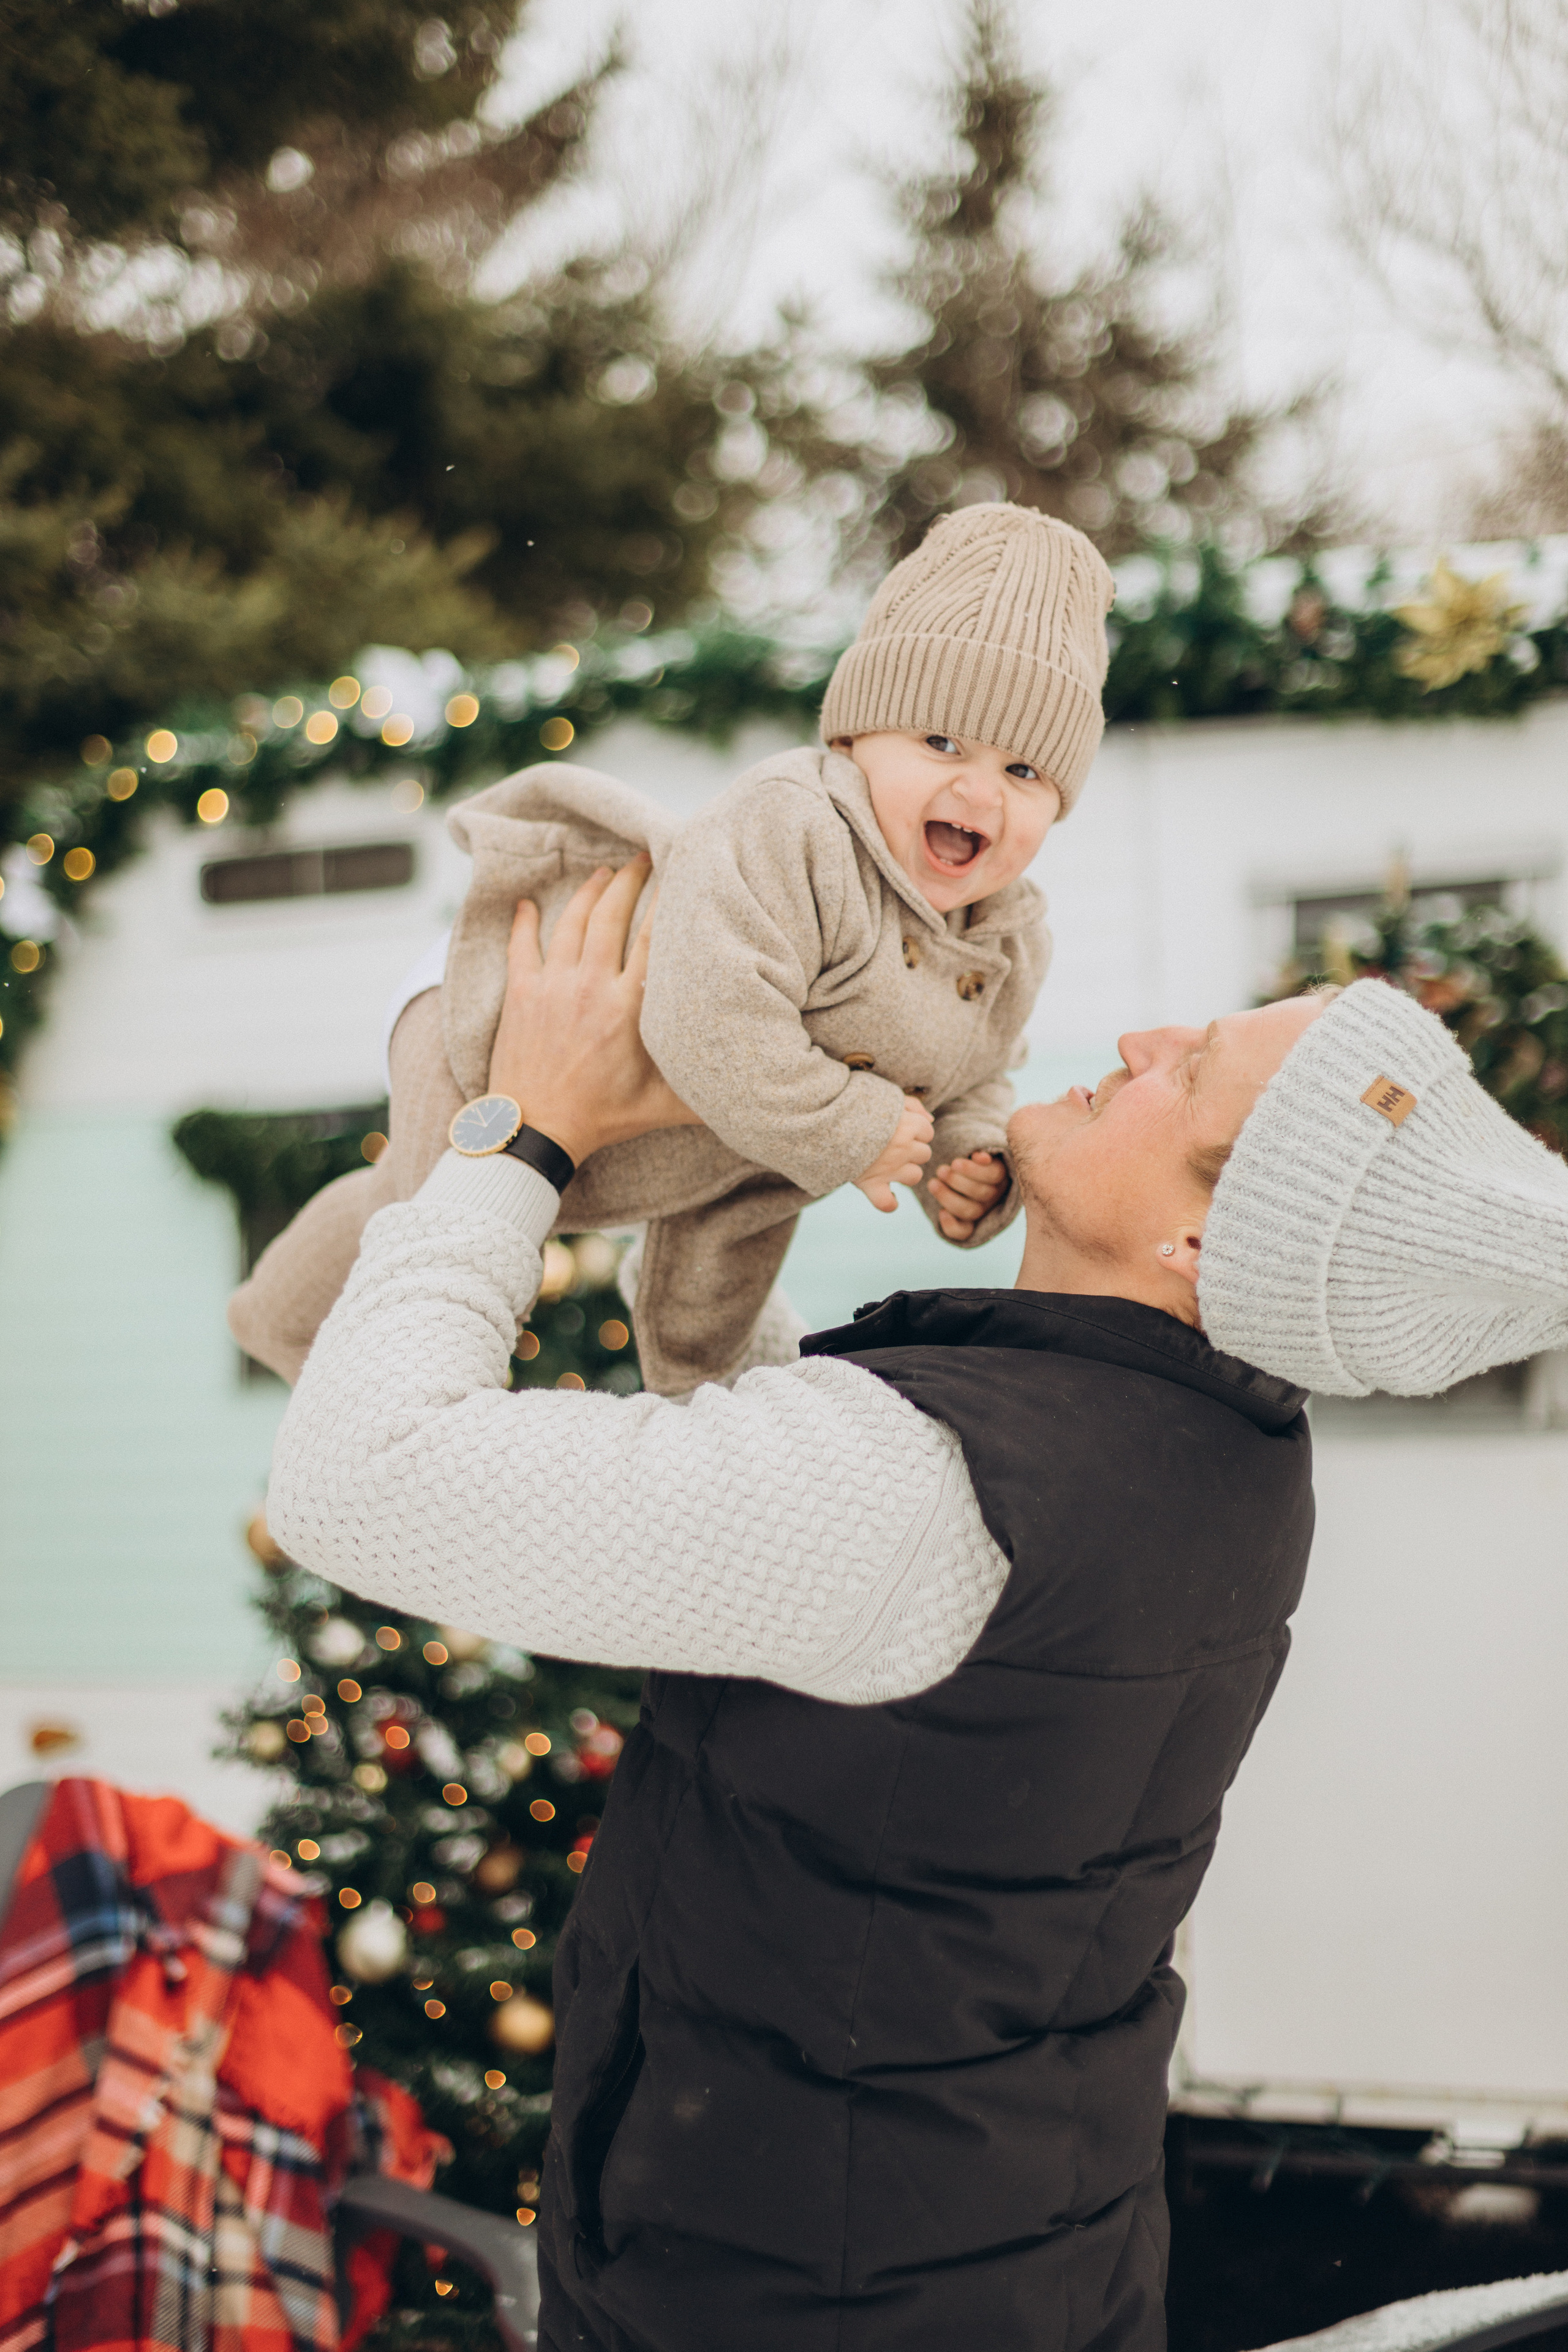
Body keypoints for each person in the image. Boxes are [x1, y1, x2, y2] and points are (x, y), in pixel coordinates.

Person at [269, 862, 1568, 2351]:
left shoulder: (933, 1486)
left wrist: (520, 1131)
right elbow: (788, 1514)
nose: (1141, 1040)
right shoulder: (1217, 1450)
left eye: (1189, 1071)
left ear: (1205, 1251)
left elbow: (358, 1480)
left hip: (785, 2297)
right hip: (993, 2264)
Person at [228, 501, 1115, 1395]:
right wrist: (855, 1127)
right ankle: (298, 1341)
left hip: (742, 1152)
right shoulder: (797, 825)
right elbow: (705, 1013)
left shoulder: (1009, 934)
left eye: (1024, 771)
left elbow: (974, 1072)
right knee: (431, 1220)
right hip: (501, 1005)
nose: (978, 789)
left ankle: (698, 1416)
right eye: (939, 741)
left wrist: (967, 1158)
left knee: (717, 1326)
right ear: (854, 738)